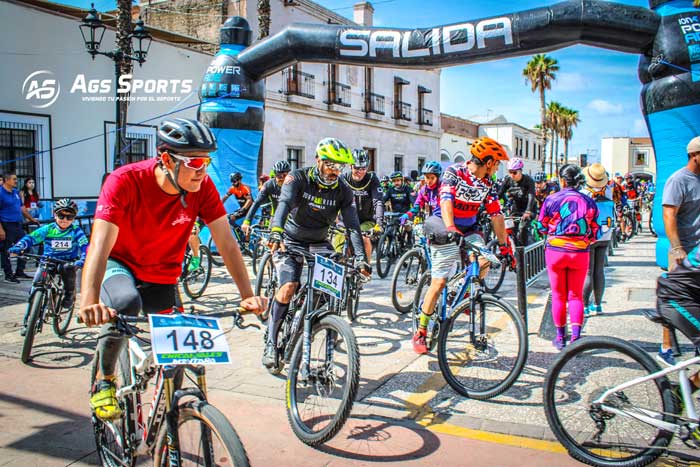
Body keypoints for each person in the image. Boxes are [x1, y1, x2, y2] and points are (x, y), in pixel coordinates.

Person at [78, 118, 266, 421]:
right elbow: (99, 246)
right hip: (120, 264)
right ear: (167, 159)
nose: (203, 171)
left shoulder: (201, 187)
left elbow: (227, 244)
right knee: (125, 304)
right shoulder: (125, 181)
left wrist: (247, 295)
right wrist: (88, 299)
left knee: (179, 355)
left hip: (162, 275)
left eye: (207, 161)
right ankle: (104, 380)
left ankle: (167, 427)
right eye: (194, 162)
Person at [263, 137, 369, 368]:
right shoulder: (298, 177)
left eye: (339, 167)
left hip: (320, 241)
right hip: (291, 239)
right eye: (330, 164)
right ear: (318, 160)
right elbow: (284, 204)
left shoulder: (343, 189)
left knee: (325, 293)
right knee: (288, 287)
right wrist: (276, 231)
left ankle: (308, 324)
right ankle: (271, 341)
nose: (335, 171)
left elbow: (352, 226)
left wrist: (361, 258)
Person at [413, 137, 512, 354]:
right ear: (488, 162)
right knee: (438, 282)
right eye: (496, 163)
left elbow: (496, 214)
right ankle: (421, 331)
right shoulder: (455, 172)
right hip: (443, 224)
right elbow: (445, 199)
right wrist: (450, 227)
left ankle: (462, 293)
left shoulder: (488, 183)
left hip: (469, 228)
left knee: (485, 261)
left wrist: (505, 247)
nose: (497, 168)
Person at [536, 164, 599, 350]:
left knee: (558, 295)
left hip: (556, 251)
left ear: (562, 180)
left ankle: (560, 337)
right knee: (575, 296)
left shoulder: (551, 199)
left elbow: (541, 225)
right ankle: (576, 338)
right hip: (580, 252)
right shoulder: (588, 201)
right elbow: (595, 231)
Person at [9, 198, 88, 335]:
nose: (64, 219)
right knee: (35, 288)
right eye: (61, 215)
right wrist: (19, 246)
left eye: (69, 217)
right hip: (48, 261)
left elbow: (85, 246)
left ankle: (69, 295)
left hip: (67, 262)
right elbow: (31, 238)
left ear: (74, 218)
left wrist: (83, 258)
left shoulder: (76, 231)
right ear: (55, 215)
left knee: (69, 271)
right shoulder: (48, 229)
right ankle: (28, 322)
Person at [658, 135, 700, 365]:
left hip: (698, 254)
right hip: (683, 250)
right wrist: (677, 248)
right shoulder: (679, 180)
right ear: (694, 155)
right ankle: (666, 346)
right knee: (674, 297)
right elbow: (669, 215)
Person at [580, 163, 615, 316]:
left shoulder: (584, 193)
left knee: (588, 272)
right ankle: (598, 305)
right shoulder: (608, 191)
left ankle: (585, 306)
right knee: (599, 270)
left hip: (589, 235)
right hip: (605, 234)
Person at [335, 149, 384, 259]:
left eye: (363, 168)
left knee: (363, 238)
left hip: (366, 220)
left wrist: (379, 223)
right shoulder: (343, 179)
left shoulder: (372, 179)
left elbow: (378, 202)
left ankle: (365, 272)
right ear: (350, 166)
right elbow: (334, 200)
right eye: (357, 168)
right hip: (345, 220)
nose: (360, 171)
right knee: (337, 248)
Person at [1, 172, 39, 282]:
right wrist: (1, 230)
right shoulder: (1, 193)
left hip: (18, 224)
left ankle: (20, 271)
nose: (16, 181)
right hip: (6, 224)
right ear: (7, 180)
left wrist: (32, 219)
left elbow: (22, 208)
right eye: (14, 179)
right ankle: (8, 274)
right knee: (6, 250)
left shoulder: (16, 193)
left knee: (25, 245)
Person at [241, 160, 290, 236]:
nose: (282, 178)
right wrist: (247, 221)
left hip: (291, 218)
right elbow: (257, 202)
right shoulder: (269, 185)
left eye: (285, 175)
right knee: (271, 242)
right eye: (279, 175)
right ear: (275, 174)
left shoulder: (294, 184)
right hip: (275, 217)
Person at [498, 157, 537, 245]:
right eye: (510, 172)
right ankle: (515, 248)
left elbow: (531, 196)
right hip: (516, 209)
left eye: (515, 172)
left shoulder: (528, 180)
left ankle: (524, 250)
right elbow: (499, 194)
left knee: (522, 228)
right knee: (510, 228)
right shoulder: (508, 180)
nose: (512, 175)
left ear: (520, 171)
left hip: (529, 208)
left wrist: (528, 211)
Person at [384, 171, 415, 247]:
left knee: (407, 225)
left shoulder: (408, 189)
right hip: (395, 214)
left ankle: (409, 239)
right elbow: (383, 200)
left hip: (406, 214)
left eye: (398, 180)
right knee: (390, 230)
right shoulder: (390, 190)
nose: (396, 183)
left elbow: (413, 202)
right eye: (394, 181)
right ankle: (389, 247)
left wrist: (413, 211)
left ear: (402, 180)